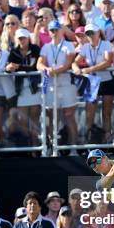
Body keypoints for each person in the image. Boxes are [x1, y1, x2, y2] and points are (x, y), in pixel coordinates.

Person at [37, 20, 78, 148]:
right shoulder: (45, 47)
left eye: (56, 30)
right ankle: (51, 146)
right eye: (52, 30)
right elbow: (39, 64)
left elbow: (68, 64)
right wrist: (46, 69)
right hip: (51, 85)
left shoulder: (68, 45)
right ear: (49, 32)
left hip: (66, 84)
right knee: (51, 116)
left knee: (69, 115)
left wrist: (54, 71)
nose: (54, 33)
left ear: (61, 31)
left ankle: (74, 147)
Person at [73, 23, 114, 143]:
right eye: (88, 33)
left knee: (106, 112)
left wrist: (90, 69)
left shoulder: (106, 44)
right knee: (89, 112)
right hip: (92, 82)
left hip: (106, 80)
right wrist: (76, 68)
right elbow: (74, 62)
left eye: (92, 32)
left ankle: (107, 139)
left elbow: (108, 62)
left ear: (98, 33)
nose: (90, 35)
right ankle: (89, 139)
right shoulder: (85, 47)